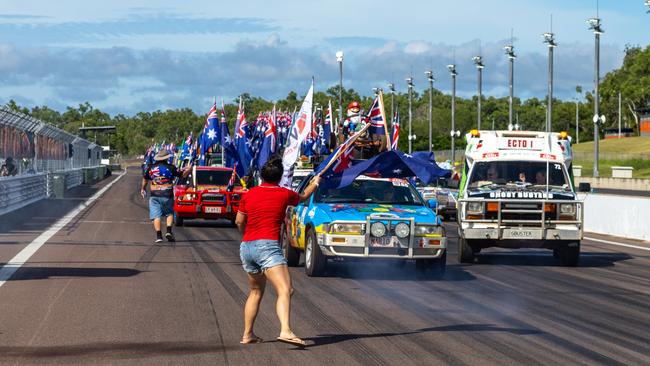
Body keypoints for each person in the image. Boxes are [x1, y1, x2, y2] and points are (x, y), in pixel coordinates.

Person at [235, 156, 320, 346]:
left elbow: (239, 221)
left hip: (247, 247)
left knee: (255, 291)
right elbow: (304, 196)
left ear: (262, 176)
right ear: (280, 177)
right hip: (268, 246)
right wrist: (315, 183)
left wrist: (246, 235)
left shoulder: (248, 195)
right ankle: (286, 330)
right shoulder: (284, 194)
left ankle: (247, 335)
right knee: (285, 289)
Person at [140, 150, 191, 243]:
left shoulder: (151, 168)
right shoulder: (171, 167)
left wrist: (143, 189)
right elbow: (182, 176)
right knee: (169, 213)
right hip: (167, 194)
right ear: (167, 158)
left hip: (154, 194)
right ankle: (168, 231)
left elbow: (145, 179)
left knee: (156, 216)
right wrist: (189, 170)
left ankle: (159, 236)